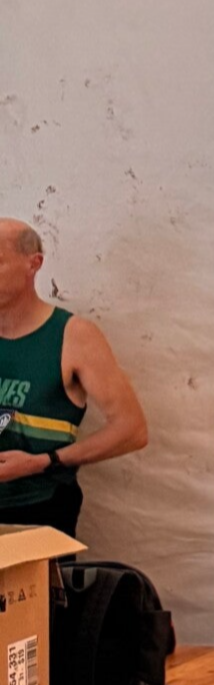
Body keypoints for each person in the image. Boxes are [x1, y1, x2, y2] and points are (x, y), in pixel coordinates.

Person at [0, 218, 149, 538]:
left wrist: (42, 461)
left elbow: (132, 429)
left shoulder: (73, 336)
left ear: (33, 264)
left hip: (38, 511)